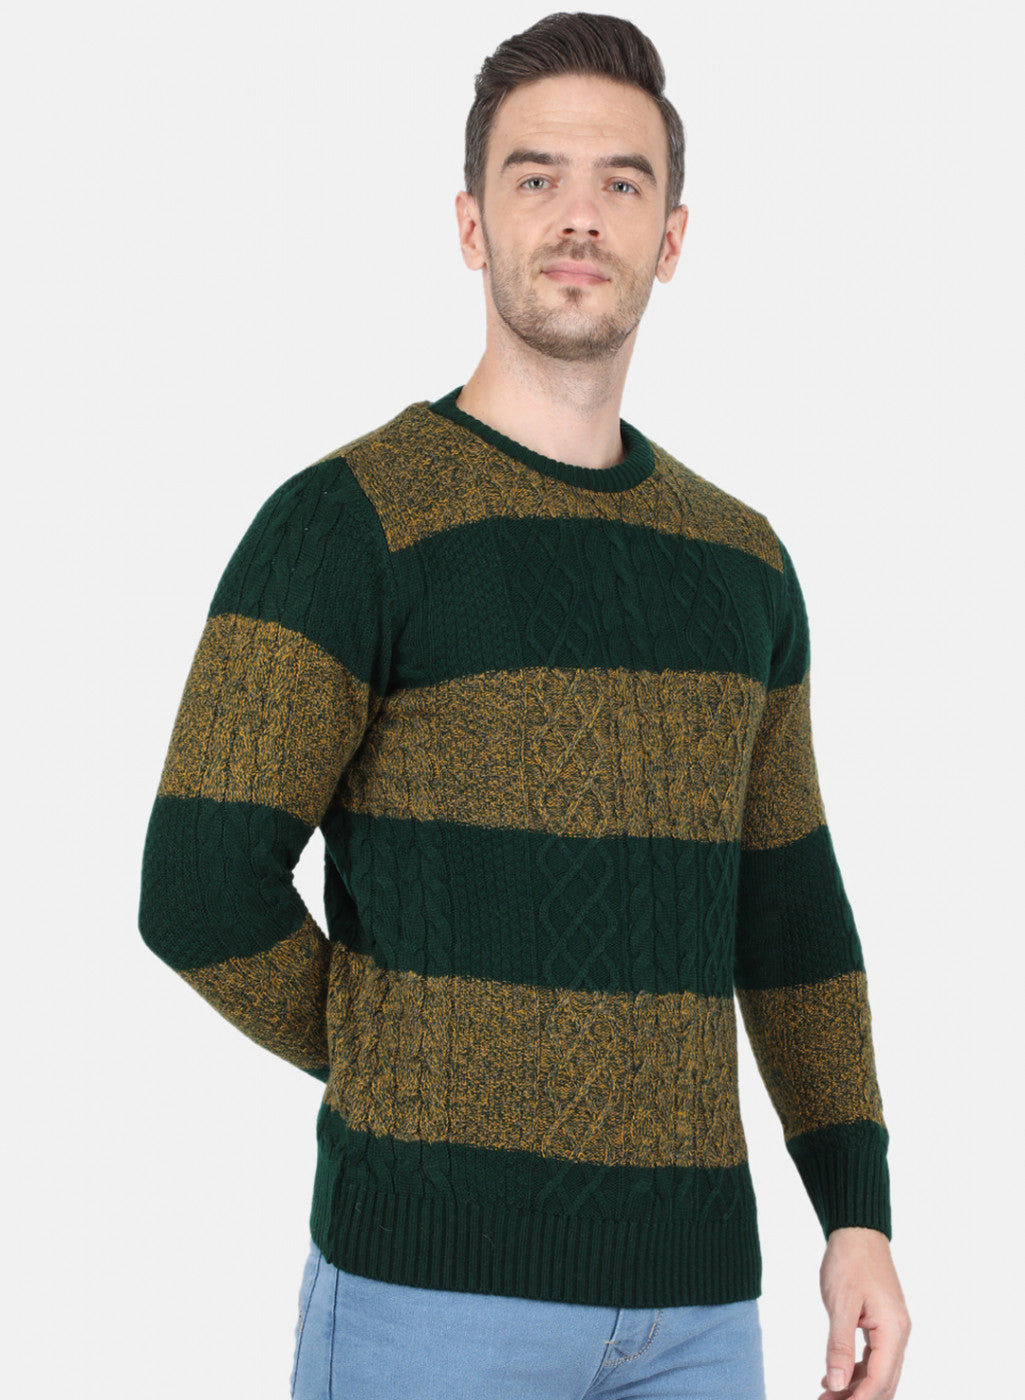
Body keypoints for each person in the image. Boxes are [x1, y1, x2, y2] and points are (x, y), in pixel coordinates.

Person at [138, 12, 911, 1399]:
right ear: (469, 222)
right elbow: (197, 887)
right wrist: (405, 1065)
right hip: (429, 1302)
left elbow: (789, 911)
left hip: (698, 1314)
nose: (578, 215)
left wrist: (855, 1210)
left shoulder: (741, 563)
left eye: (621, 182)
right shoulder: (349, 523)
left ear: (670, 237)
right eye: (534, 175)